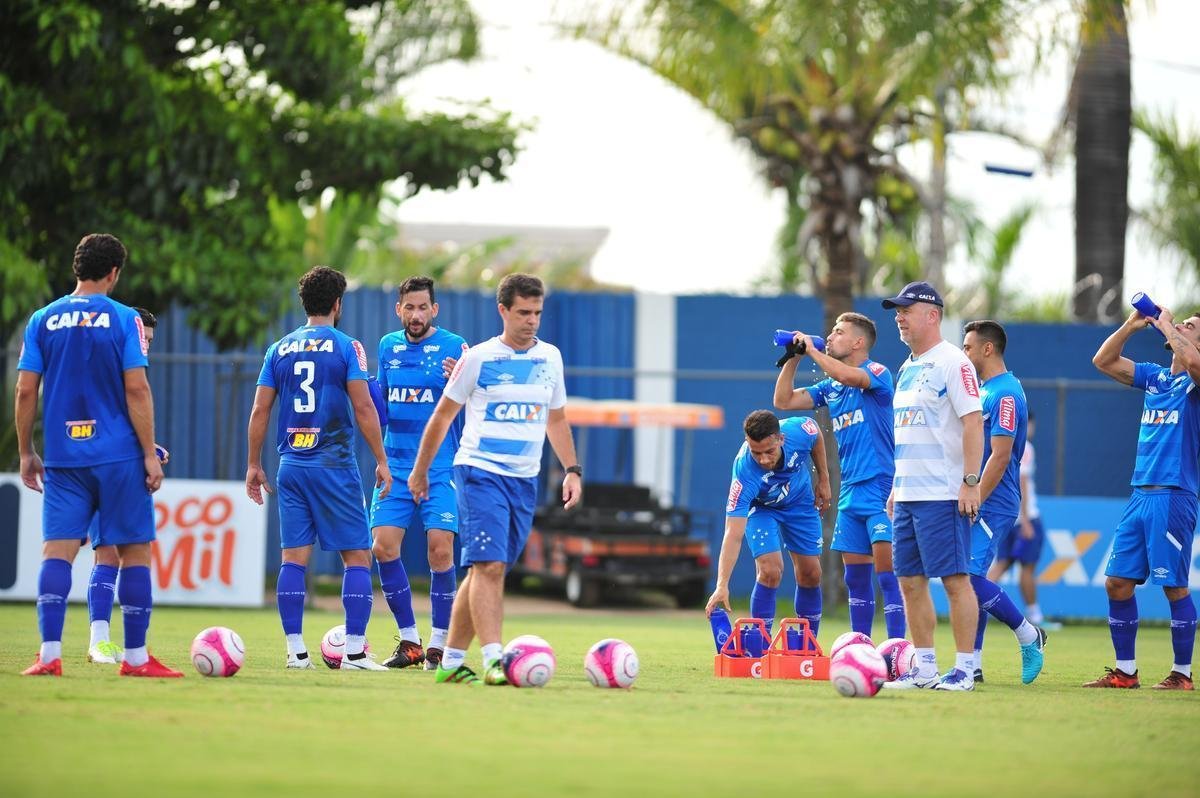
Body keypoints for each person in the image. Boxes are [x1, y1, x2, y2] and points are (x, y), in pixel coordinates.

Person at [17, 233, 180, 677]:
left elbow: (25, 390)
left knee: (57, 552)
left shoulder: (42, 320)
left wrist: (27, 452)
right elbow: (136, 388)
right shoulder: (126, 319)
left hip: (64, 458)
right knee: (134, 552)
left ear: (77, 267)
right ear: (113, 273)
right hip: (118, 457)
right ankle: (136, 658)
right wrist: (149, 453)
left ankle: (49, 655)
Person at [408, 273, 582, 685]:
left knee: (486, 572)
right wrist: (420, 470)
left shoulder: (551, 358)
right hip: (479, 473)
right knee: (489, 566)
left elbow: (556, 419)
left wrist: (572, 470)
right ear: (503, 310)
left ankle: (450, 663)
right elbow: (442, 417)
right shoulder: (479, 358)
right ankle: (493, 660)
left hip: (524, 481)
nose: (531, 320)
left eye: (537, 313)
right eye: (523, 312)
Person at [246, 266, 393, 671]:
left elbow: (260, 410)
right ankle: (355, 652)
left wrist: (254, 463)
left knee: (293, 559)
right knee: (357, 557)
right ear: (337, 304)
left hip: (290, 465)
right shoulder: (348, 347)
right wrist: (382, 460)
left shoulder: (278, 349)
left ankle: (295, 652)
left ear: (304, 303)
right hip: (333, 465)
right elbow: (363, 407)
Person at [1086, 305, 1200, 690]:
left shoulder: (1195, 381)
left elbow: (1192, 361)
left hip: (1174, 494)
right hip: (1140, 493)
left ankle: (1182, 674)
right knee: (1117, 582)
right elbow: (1103, 361)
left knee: (1174, 585)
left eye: (1190, 326)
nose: (1181, 325)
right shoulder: (1156, 377)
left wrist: (1166, 324)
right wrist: (1131, 326)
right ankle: (1125, 672)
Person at [774, 312, 905, 641]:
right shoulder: (830, 386)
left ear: (858, 342)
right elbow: (783, 400)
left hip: (881, 488)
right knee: (856, 579)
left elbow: (849, 376)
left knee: (888, 576)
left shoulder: (877, 373)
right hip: (851, 493)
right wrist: (794, 356)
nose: (830, 337)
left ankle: (898, 651)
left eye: (838, 332)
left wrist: (813, 351)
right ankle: (861, 646)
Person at [879, 281, 982, 692]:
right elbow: (908, 432)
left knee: (955, 581)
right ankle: (924, 670)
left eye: (906, 310)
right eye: (897, 312)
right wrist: (896, 487)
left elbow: (973, 422)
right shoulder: (906, 367)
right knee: (909, 582)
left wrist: (970, 481)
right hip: (907, 494)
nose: (899, 318)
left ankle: (964, 670)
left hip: (942, 493)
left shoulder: (953, 362)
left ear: (932, 315)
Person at [370, 276, 468, 670]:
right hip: (395, 466)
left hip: (440, 467)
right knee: (382, 547)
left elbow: (476, 400)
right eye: (409, 307)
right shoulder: (387, 346)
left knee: (441, 549)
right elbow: (380, 405)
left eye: (422, 307)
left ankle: (439, 644)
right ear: (399, 310)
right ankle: (410, 640)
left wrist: (460, 383)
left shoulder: (455, 347)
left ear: (434, 310)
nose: (416, 314)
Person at [960, 320, 1046, 685]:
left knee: (967, 578)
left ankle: (1028, 634)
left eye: (967, 347)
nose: (963, 353)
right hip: (978, 496)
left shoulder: (1005, 393)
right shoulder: (985, 390)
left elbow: (1001, 455)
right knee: (969, 578)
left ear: (987, 349)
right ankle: (973, 664)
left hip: (992, 499)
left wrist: (976, 495)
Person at [85, 307, 170, 665]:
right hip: (105, 468)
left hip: (124, 467)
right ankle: (99, 642)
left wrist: (148, 448)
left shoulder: (130, 367)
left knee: (133, 554)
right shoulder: (113, 368)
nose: (145, 344)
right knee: (107, 554)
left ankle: (130, 648)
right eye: (141, 337)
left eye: (149, 340)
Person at [705, 410, 832, 643]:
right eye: (756, 453)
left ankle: (806, 645)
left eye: (769, 451)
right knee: (770, 570)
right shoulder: (744, 474)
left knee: (811, 573)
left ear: (781, 439)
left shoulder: (799, 432)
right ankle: (760, 645)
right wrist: (722, 584)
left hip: (800, 503)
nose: (763, 460)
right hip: (762, 509)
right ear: (747, 443)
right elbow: (733, 534)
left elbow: (816, 433)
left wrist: (823, 479)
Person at [989, 410, 1059, 630]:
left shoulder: (997, 442)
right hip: (1024, 517)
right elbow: (1023, 482)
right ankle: (1034, 615)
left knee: (1002, 563)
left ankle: (973, 604)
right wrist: (1026, 519)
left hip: (1006, 516)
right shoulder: (1025, 446)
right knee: (1027, 568)